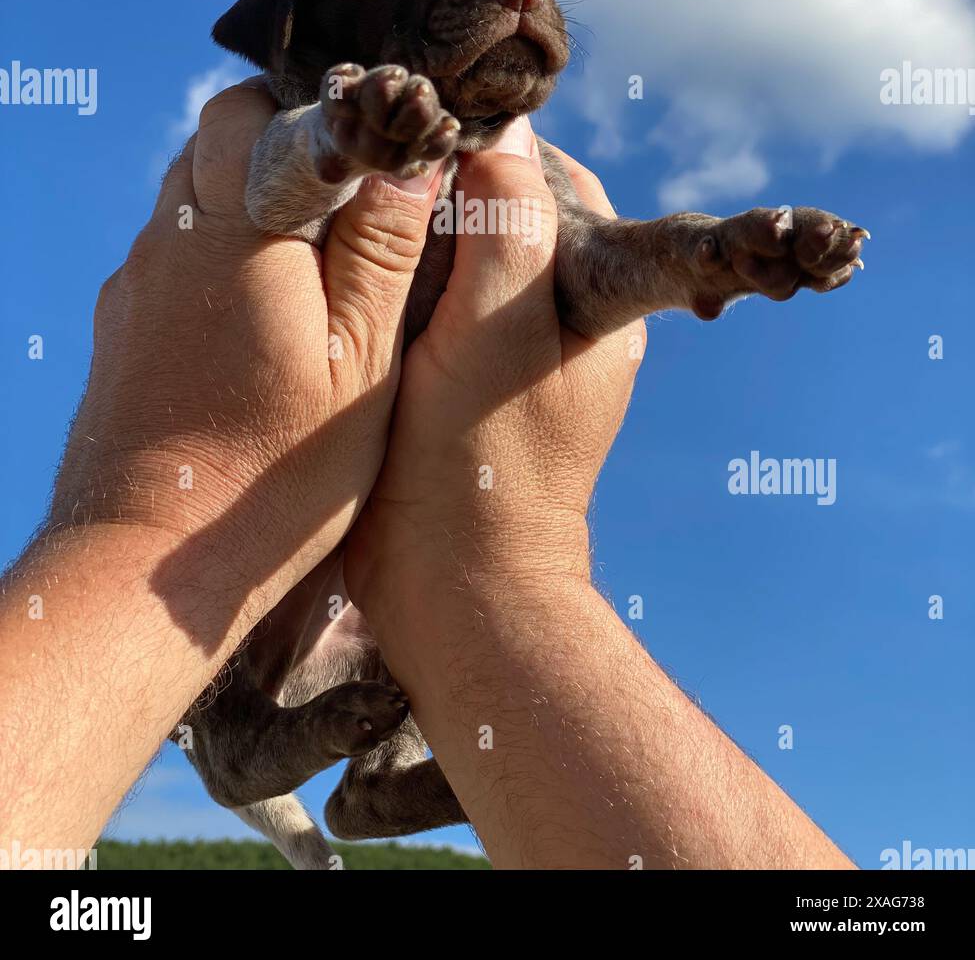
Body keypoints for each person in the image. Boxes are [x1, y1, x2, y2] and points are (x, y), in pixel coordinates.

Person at [0, 82, 853, 870]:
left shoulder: (518, 166)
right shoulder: (307, 106)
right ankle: (336, 767)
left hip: (363, 586)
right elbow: (275, 181)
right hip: (266, 596)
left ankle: (378, 787)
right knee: (226, 729)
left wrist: (708, 251)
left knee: (392, 670)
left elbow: (596, 267)